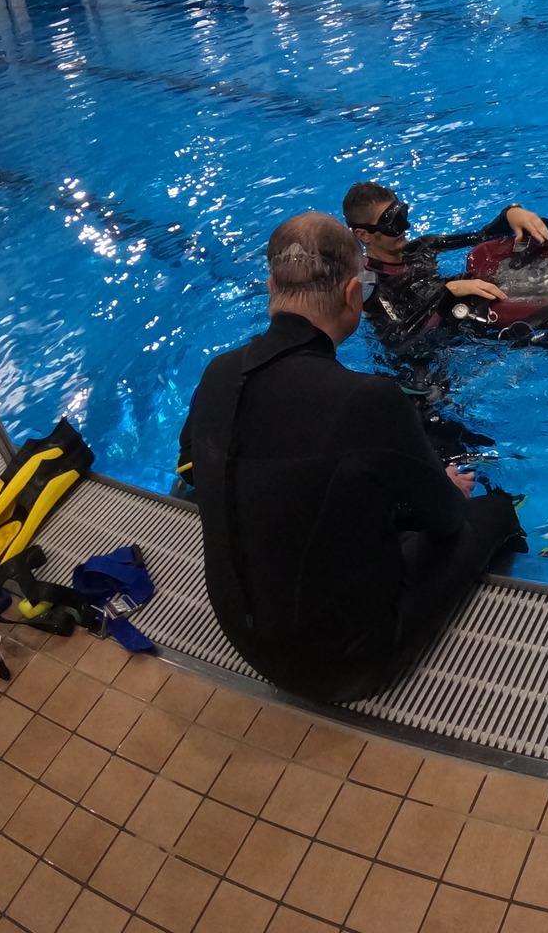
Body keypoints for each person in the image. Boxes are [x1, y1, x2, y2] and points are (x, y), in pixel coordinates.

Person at [178, 213, 523, 703]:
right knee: (494, 511)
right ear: (352, 295)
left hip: (239, 631)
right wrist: (443, 488)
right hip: (343, 664)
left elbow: (193, 469)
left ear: (273, 287)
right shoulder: (367, 398)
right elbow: (447, 520)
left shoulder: (219, 371)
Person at [343, 182, 548, 459]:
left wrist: (511, 213)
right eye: (392, 224)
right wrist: (446, 293)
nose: (405, 228)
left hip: (462, 342)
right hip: (419, 371)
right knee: (448, 443)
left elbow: (484, 235)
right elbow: (399, 341)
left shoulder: (423, 249)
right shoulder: (372, 286)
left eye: (403, 215)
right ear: (363, 234)